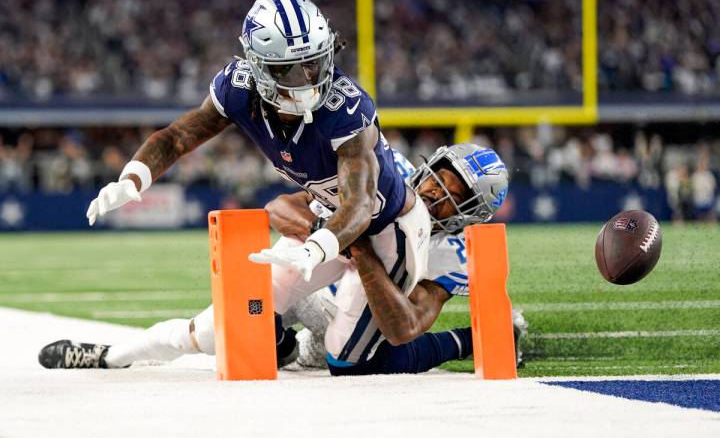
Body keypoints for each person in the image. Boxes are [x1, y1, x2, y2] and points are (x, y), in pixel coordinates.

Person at [42, 0, 432, 370]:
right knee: (218, 329)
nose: (307, 78)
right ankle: (113, 356)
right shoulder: (239, 88)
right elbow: (177, 136)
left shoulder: (346, 108)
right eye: (290, 69)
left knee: (344, 356)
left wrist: (314, 249)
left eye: (314, 63)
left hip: (387, 232)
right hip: (328, 222)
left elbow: (361, 205)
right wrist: (132, 177)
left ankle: (313, 321)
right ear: (258, 66)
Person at [39, 145, 527, 373]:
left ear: (470, 214)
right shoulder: (387, 179)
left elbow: (405, 323)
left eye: (449, 195)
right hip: (320, 279)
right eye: (437, 178)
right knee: (215, 331)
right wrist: (332, 233)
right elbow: (279, 208)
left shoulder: (449, 250)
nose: (431, 191)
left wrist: (356, 246)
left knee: (352, 360)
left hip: (363, 319)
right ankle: (108, 357)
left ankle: (471, 339)